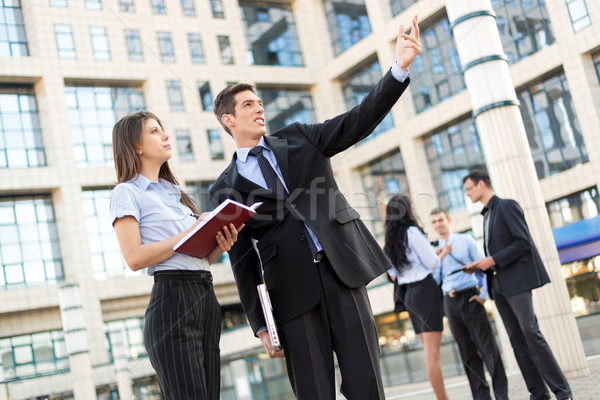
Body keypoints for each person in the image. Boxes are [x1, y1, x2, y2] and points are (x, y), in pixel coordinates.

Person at [208, 15, 422, 400]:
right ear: (228, 119)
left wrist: (398, 69)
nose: (259, 109)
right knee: (314, 391)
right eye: (248, 105)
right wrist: (261, 325)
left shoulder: (300, 137)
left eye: (259, 102)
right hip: (290, 294)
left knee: (366, 384)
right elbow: (242, 261)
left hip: (342, 272)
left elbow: (357, 121)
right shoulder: (224, 188)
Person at [110, 111, 240, 400]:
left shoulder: (175, 195)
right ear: (136, 147)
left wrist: (220, 243)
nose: (166, 135)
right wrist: (191, 232)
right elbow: (134, 257)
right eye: (155, 131)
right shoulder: (126, 192)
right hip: (172, 301)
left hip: (205, 297)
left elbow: (198, 256)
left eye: (163, 129)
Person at [462, 170, 573, 400]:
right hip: (499, 285)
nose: (467, 194)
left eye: (469, 189)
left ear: (481, 184)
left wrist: (491, 260)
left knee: (531, 333)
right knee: (517, 342)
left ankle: (563, 392)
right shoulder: (486, 215)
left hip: (517, 282)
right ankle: (538, 394)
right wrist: (482, 265)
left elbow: (523, 242)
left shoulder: (506, 206)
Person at [429, 207, 508, 400]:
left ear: (448, 219)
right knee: (467, 353)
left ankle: (501, 396)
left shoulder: (465, 241)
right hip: (450, 301)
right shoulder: (433, 251)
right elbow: (432, 280)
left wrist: (484, 295)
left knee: (488, 349)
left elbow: (485, 267)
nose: (438, 224)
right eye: (434, 222)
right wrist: (441, 256)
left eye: (441, 220)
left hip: (470, 297)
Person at [384, 195, 451, 400]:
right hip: (425, 291)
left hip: (409, 296)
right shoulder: (412, 232)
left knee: (429, 353)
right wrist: (444, 252)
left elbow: (393, 274)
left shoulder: (391, 240)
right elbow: (432, 264)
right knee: (433, 355)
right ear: (407, 210)